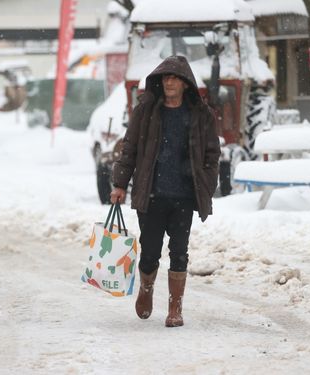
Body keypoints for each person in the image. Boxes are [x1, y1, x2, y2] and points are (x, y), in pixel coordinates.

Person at [110, 55, 220, 327]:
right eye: (165, 78)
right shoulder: (146, 111)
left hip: (183, 196)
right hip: (152, 194)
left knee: (179, 252)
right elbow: (130, 148)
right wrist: (120, 184)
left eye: (175, 78)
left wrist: (206, 182)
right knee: (149, 253)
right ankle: (146, 290)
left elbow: (211, 154)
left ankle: (175, 308)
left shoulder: (200, 115)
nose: (169, 82)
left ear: (185, 84)